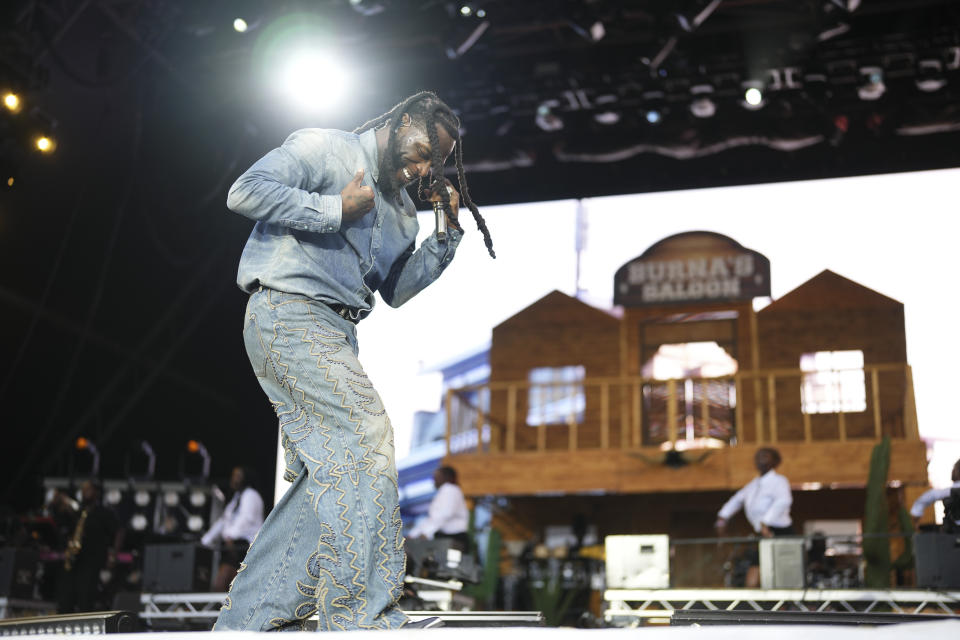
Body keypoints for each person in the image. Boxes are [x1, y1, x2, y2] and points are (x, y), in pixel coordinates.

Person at [213, 91, 493, 632]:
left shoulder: (404, 215)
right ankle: (357, 616)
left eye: (434, 163)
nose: (423, 168)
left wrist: (447, 234)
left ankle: (248, 623)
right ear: (401, 120)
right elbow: (244, 192)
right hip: (287, 310)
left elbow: (396, 290)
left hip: (338, 331)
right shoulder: (327, 149)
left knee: (326, 479)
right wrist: (334, 209)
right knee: (366, 440)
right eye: (421, 151)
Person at [714, 447, 793, 587]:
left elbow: (783, 501)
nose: (760, 459)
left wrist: (765, 522)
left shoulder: (779, 481)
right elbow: (737, 499)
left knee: (782, 568)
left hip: (779, 530)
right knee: (756, 562)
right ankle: (753, 602)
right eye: (758, 456)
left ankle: (782, 603)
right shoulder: (753, 484)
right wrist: (723, 517)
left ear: (775, 461)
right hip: (762, 530)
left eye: (765, 456)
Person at [56, 480, 119, 613]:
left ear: (96, 493)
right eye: (83, 489)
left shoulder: (103, 512)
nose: (84, 493)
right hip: (73, 561)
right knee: (65, 599)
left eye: (88, 489)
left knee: (85, 599)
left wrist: (113, 554)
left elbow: (118, 531)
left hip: (91, 561)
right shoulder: (78, 511)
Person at [201, 466, 265, 591]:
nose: (234, 479)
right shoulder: (236, 499)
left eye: (238, 476)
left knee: (226, 581)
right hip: (232, 545)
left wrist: (229, 536)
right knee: (223, 580)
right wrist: (204, 541)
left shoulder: (251, 495)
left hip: (246, 546)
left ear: (245, 478)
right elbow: (223, 521)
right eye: (233, 476)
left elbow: (246, 520)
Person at [409, 466, 470, 551]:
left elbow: (444, 515)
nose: (434, 480)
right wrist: (413, 534)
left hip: (454, 538)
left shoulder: (450, 489)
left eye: (437, 476)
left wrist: (425, 533)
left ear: (447, 477)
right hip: (446, 537)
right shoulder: (444, 491)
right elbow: (432, 518)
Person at [910, 458, 960, 532]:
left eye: (954, 469)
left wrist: (915, 518)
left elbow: (929, 497)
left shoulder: (950, 491)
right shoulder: (952, 490)